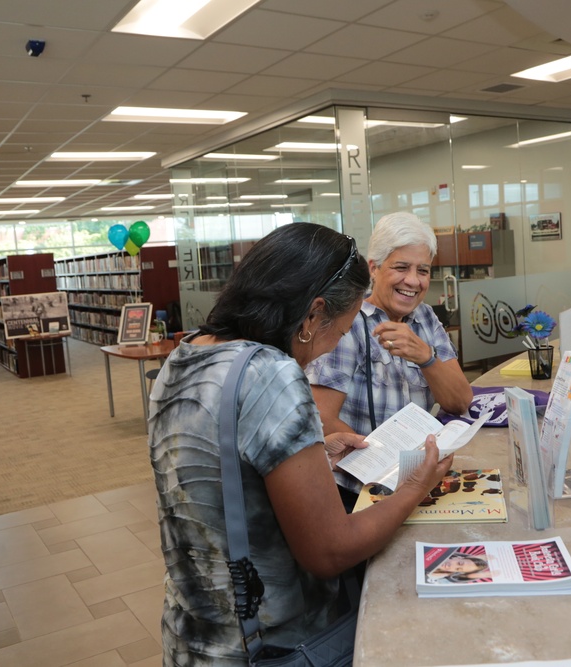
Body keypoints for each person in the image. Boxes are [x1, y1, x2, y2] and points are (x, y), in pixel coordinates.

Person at [147, 222, 454, 666]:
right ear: (313, 315)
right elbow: (330, 550)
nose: (338, 343)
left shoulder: (188, 352)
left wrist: (311, 451)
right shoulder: (272, 372)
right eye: (343, 330)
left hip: (193, 635)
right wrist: (414, 487)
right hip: (273, 644)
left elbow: (223, 463)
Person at [306, 212, 472, 444]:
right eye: (401, 268)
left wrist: (426, 358)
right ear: (373, 269)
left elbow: (461, 402)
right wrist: (384, 459)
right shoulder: (348, 321)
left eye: (422, 270)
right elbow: (322, 418)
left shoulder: (425, 317)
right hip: (361, 474)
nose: (413, 281)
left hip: (416, 468)